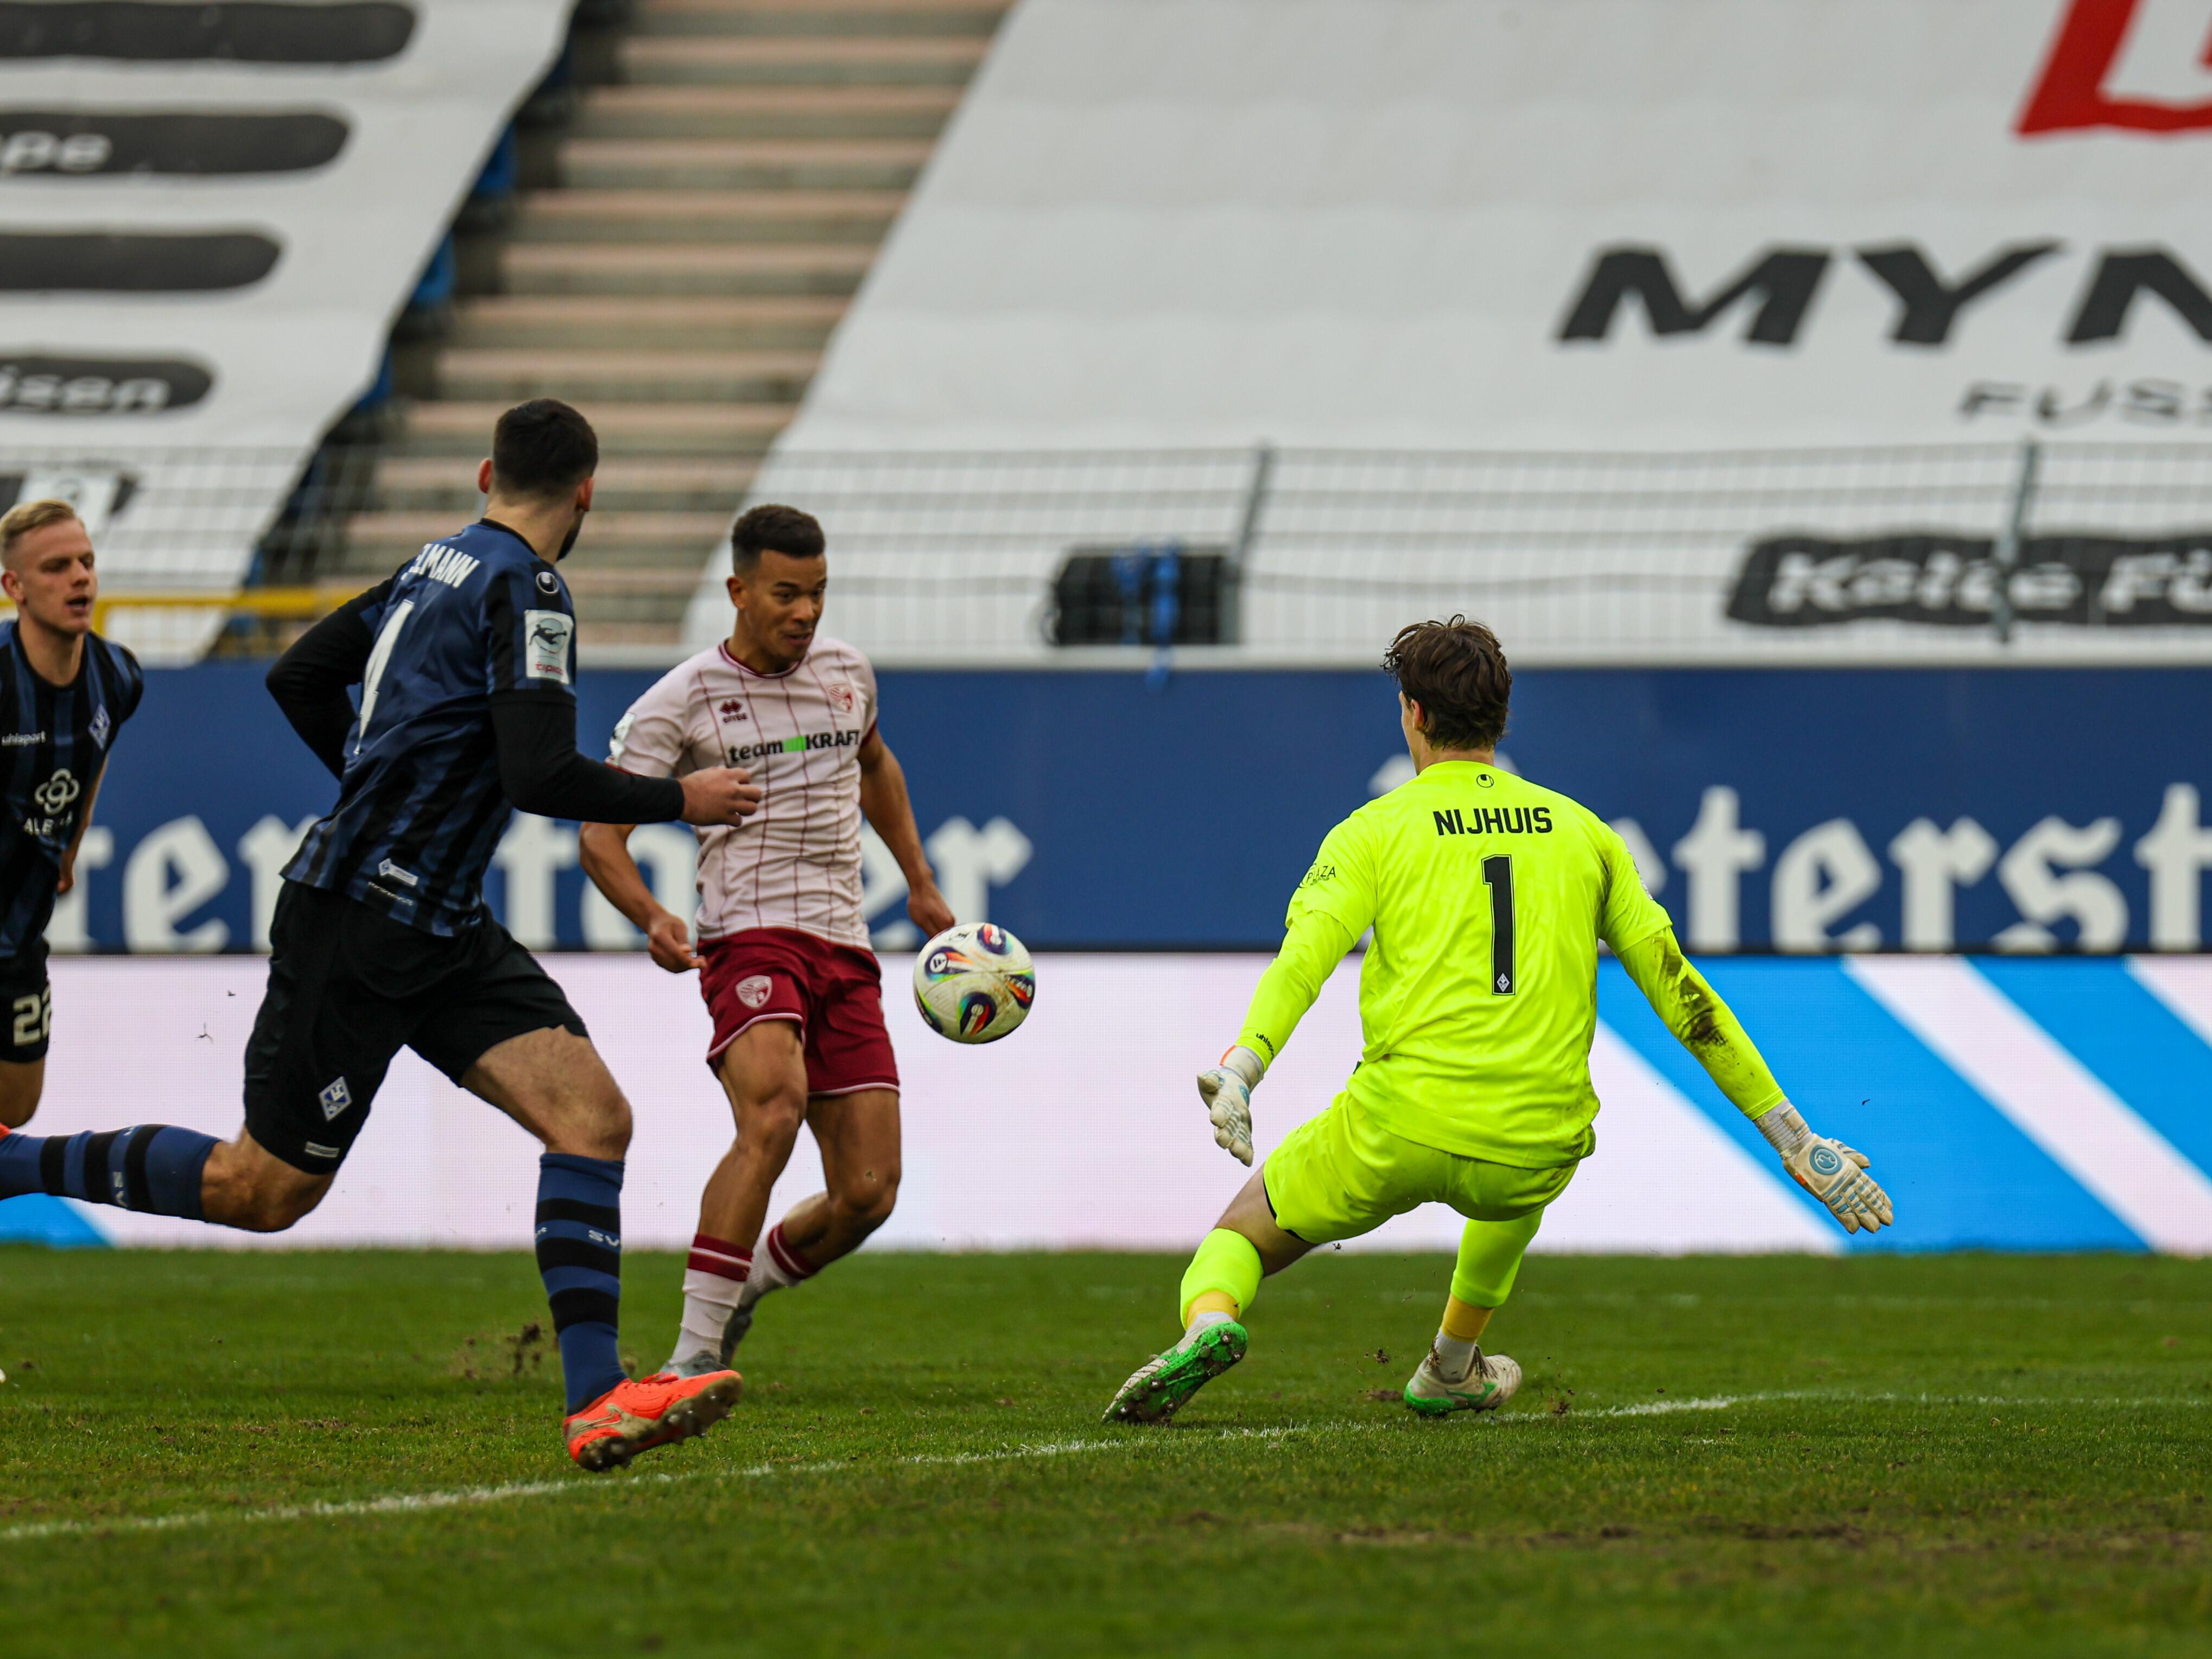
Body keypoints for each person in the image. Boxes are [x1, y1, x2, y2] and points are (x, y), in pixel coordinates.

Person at [0, 401, 766, 1472]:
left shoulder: (433, 563)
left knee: (592, 1116)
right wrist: (680, 798)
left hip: (438, 921)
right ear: (586, 493)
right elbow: (537, 771)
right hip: (360, 921)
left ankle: (597, 1398)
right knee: (260, 1190)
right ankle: (13, 1163)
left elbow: (298, 674)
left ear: (488, 471)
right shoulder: (529, 588)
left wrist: (373, 789)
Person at [1105, 616, 1892, 1425]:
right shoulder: (1585, 834)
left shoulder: (1373, 831)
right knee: (1530, 1147)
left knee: (1240, 1233)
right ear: (1500, 717)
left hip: (1394, 1130)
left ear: (1411, 713)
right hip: (1529, 1145)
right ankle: (1450, 1364)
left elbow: (1303, 959)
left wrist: (1243, 1068)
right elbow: (1679, 993)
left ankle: (1210, 1323)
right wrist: (1794, 1137)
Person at [579, 502, 953, 1381]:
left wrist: (922, 879)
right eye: (787, 593)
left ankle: (743, 1286)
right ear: (739, 589)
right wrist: (654, 917)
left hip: (844, 948)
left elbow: (875, 766)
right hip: (749, 938)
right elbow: (601, 834)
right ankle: (689, 1355)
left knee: (869, 1193)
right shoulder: (680, 700)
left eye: (818, 593)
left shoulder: (848, 675)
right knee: (775, 1107)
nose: (806, 612)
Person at [0, 499, 142, 1129]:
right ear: (15, 588)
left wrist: (73, 839)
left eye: (86, 561)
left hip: (18, 930)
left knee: (17, 1108)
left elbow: (96, 749)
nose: (80, 577)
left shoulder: (118, 676)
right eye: (56, 567)